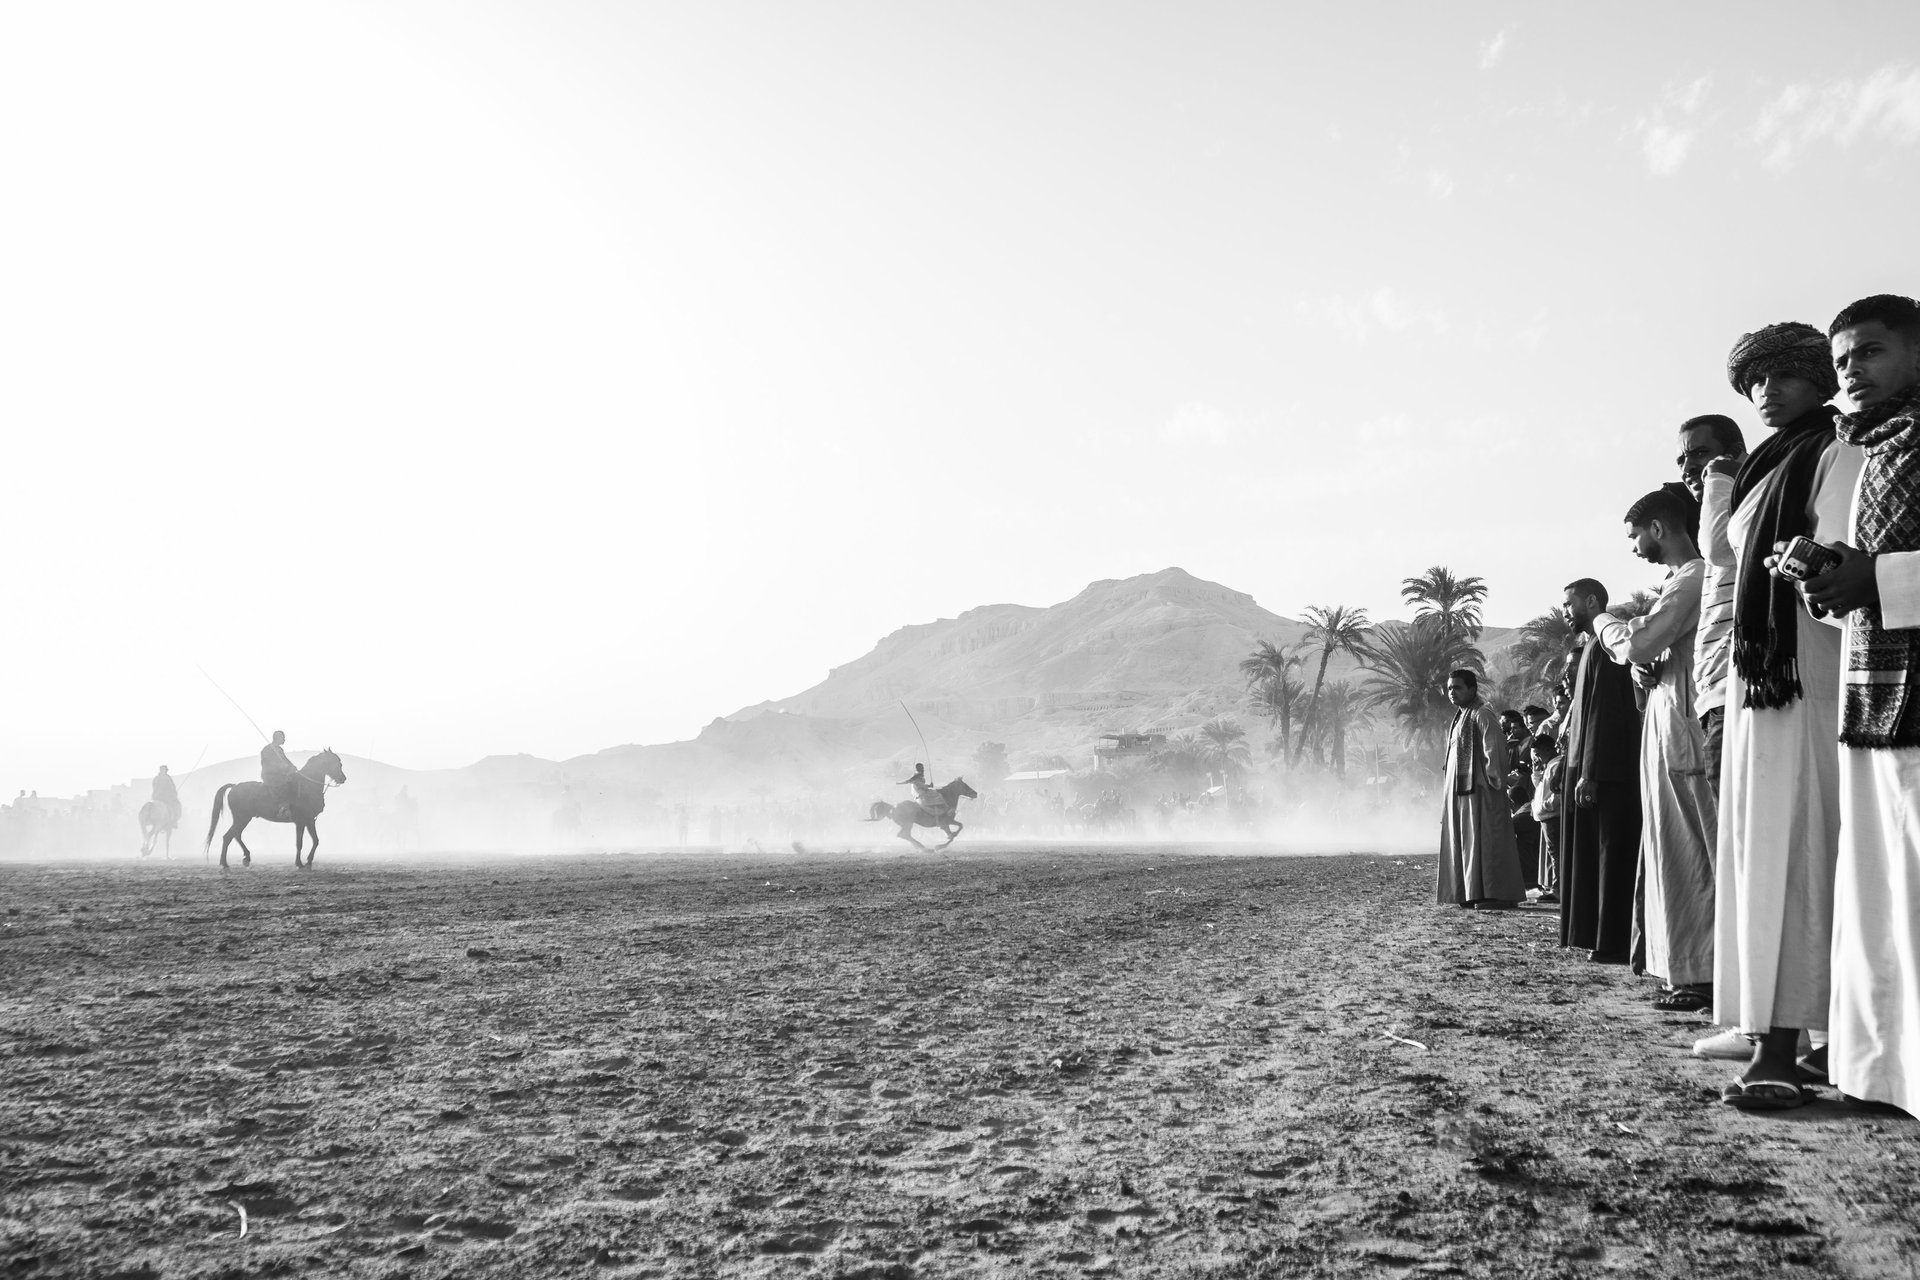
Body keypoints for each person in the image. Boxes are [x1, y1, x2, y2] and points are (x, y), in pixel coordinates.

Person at [1710, 319, 1863, 1109]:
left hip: (1806, 668)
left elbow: (1834, 559)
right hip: (1758, 679)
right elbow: (1725, 558)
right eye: (1754, 382)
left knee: (1801, 844)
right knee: (1760, 846)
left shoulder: (1838, 450)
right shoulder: (1765, 467)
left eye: (1780, 376)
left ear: (1818, 378)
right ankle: (1782, 1032)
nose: (1765, 392)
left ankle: (1785, 1043)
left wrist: (1806, 565)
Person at [1806, 294, 1920, 1114]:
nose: (1853, 371)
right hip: (1870, 688)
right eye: (1843, 359)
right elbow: (1861, 580)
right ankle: (1881, 1070)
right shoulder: (1869, 449)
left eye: (1871, 352)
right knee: (1878, 887)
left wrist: (1872, 577)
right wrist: (1825, 577)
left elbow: (1886, 573)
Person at [1593, 485, 1716, 1010]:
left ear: (1659, 529)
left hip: (1686, 726)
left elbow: (1639, 641)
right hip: (1668, 718)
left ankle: (1705, 971)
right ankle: (1682, 966)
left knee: (1695, 849)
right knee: (1673, 846)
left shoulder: (1693, 578)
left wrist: (1604, 624)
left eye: (1635, 535)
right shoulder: (1681, 582)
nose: (1634, 546)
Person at [1559, 579, 1642, 962]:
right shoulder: (1591, 646)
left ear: (1591, 601)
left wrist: (1589, 772)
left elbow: (1602, 714)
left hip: (1608, 770)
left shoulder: (1606, 646)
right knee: (1596, 856)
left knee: (1612, 855)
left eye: (1569, 603)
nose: (1564, 612)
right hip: (1593, 766)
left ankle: (1612, 941)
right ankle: (1598, 936)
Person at [1679, 414, 1748, 803]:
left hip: (1737, 695)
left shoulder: (1745, 503)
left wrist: (1720, 474)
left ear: (1735, 454)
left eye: (1700, 453)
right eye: (1681, 459)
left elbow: (1718, 548)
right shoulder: (1720, 511)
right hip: (1714, 701)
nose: (1690, 467)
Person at [1434, 670, 1526, 909]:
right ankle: (1471, 892)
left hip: (1481, 794)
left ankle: (1495, 894)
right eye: (1450, 688)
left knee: (1486, 840)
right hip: (1462, 796)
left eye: (1458, 688)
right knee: (1467, 841)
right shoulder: (1460, 717)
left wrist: (1496, 784)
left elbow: (1494, 750)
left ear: (1472, 690)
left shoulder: (1482, 714)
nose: (1452, 692)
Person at [1530, 736, 1564, 902]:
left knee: (1556, 853)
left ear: (1548, 749)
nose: (1536, 757)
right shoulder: (1549, 766)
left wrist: (1544, 806)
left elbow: (1557, 794)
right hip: (1546, 816)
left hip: (1552, 816)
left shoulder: (1556, 765)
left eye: (1538, 753)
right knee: (1553, 853)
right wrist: (1536, 773)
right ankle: (1556, 887)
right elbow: (1541, 788)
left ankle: (1558, 889)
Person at [260, 731, 298, 810]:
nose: (284, 739)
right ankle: (283, 808)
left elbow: (286, 761)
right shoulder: (267, 749)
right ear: (277, 738)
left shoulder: (279, 749)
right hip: (271, 776)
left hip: (281, 774)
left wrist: (292, 767)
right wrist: (281, 767)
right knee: (283, 785)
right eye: (282, 737)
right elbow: (266, 764)